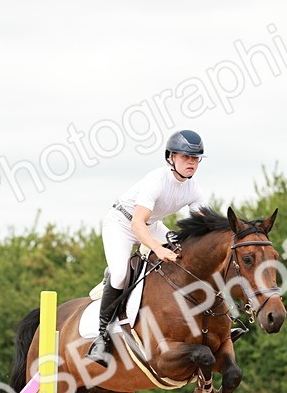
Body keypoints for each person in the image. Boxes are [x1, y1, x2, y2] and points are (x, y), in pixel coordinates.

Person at [86, 129, 207, 365]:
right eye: (185, 157)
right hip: (122, 223)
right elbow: (136, 224)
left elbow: (204, 226)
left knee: (185, 259)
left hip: (151, 225)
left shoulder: (194, 190)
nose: (191, 162)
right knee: (120, 275)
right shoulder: (157, 180)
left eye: (195, 158)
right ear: (171, 157)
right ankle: (102, 337)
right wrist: (158, 249)